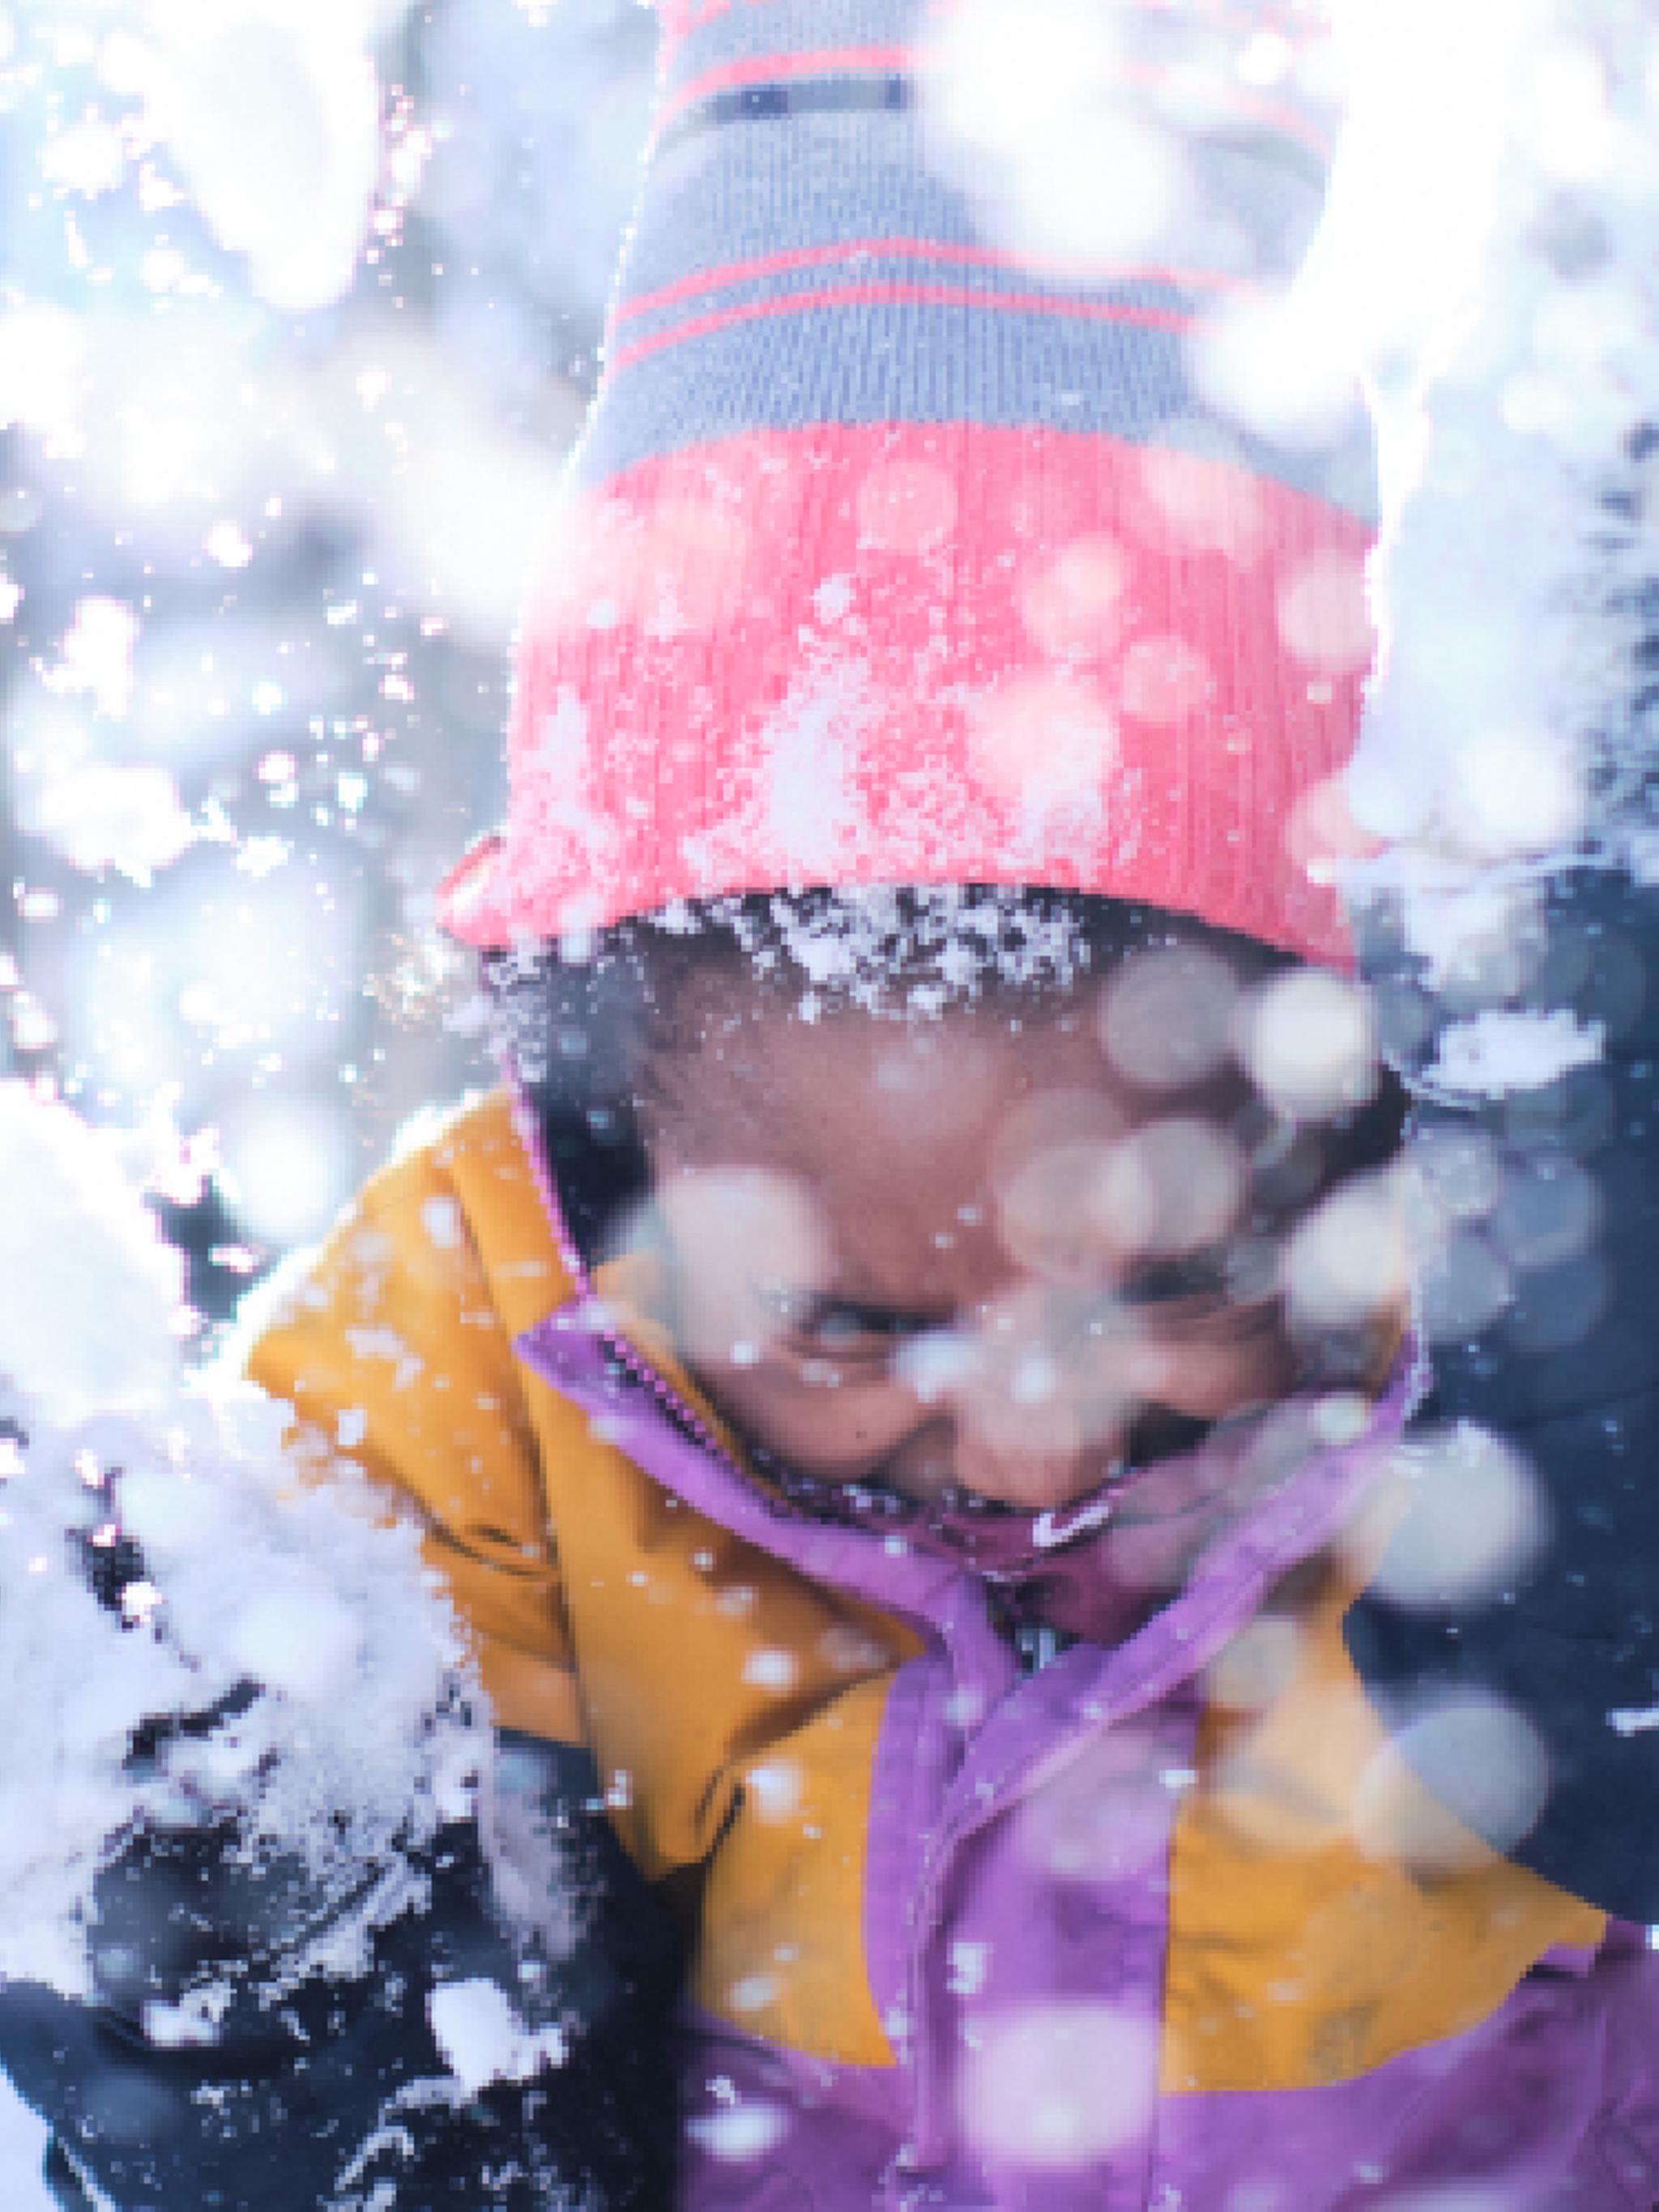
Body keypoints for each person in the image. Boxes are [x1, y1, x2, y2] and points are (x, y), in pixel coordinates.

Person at [6, 2, 1659, 2206]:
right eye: (860, 1325)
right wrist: (258, 1966)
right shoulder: (484, 1367)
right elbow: (286, 2000)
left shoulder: (1519, 1387)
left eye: (1170, 1264)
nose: (1037, 1438)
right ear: (608, 1154)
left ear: (1345, 1098)